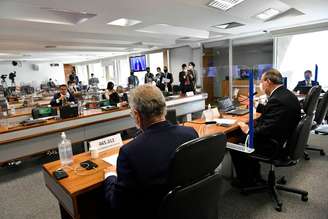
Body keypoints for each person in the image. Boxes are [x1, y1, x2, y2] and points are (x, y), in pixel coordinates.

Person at [104, 84, 199, 219]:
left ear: (137, 115)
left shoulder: (129, 152)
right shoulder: (190, 134)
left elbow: (118, 204)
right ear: (164, 108)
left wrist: (110, 177)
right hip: (188, 208)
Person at [230, 68, 301, 187]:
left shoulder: (277, 99)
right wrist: (254, 104)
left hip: (273, 145)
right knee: (248, 133)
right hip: (284, 139)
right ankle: (255, 176)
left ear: (268, 81)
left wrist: (247, 129)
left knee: (236, 143)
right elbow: (274, 113)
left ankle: (247, 181)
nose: (260, 85)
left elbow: (266, 129)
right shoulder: (286, 94)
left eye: (261, 82)